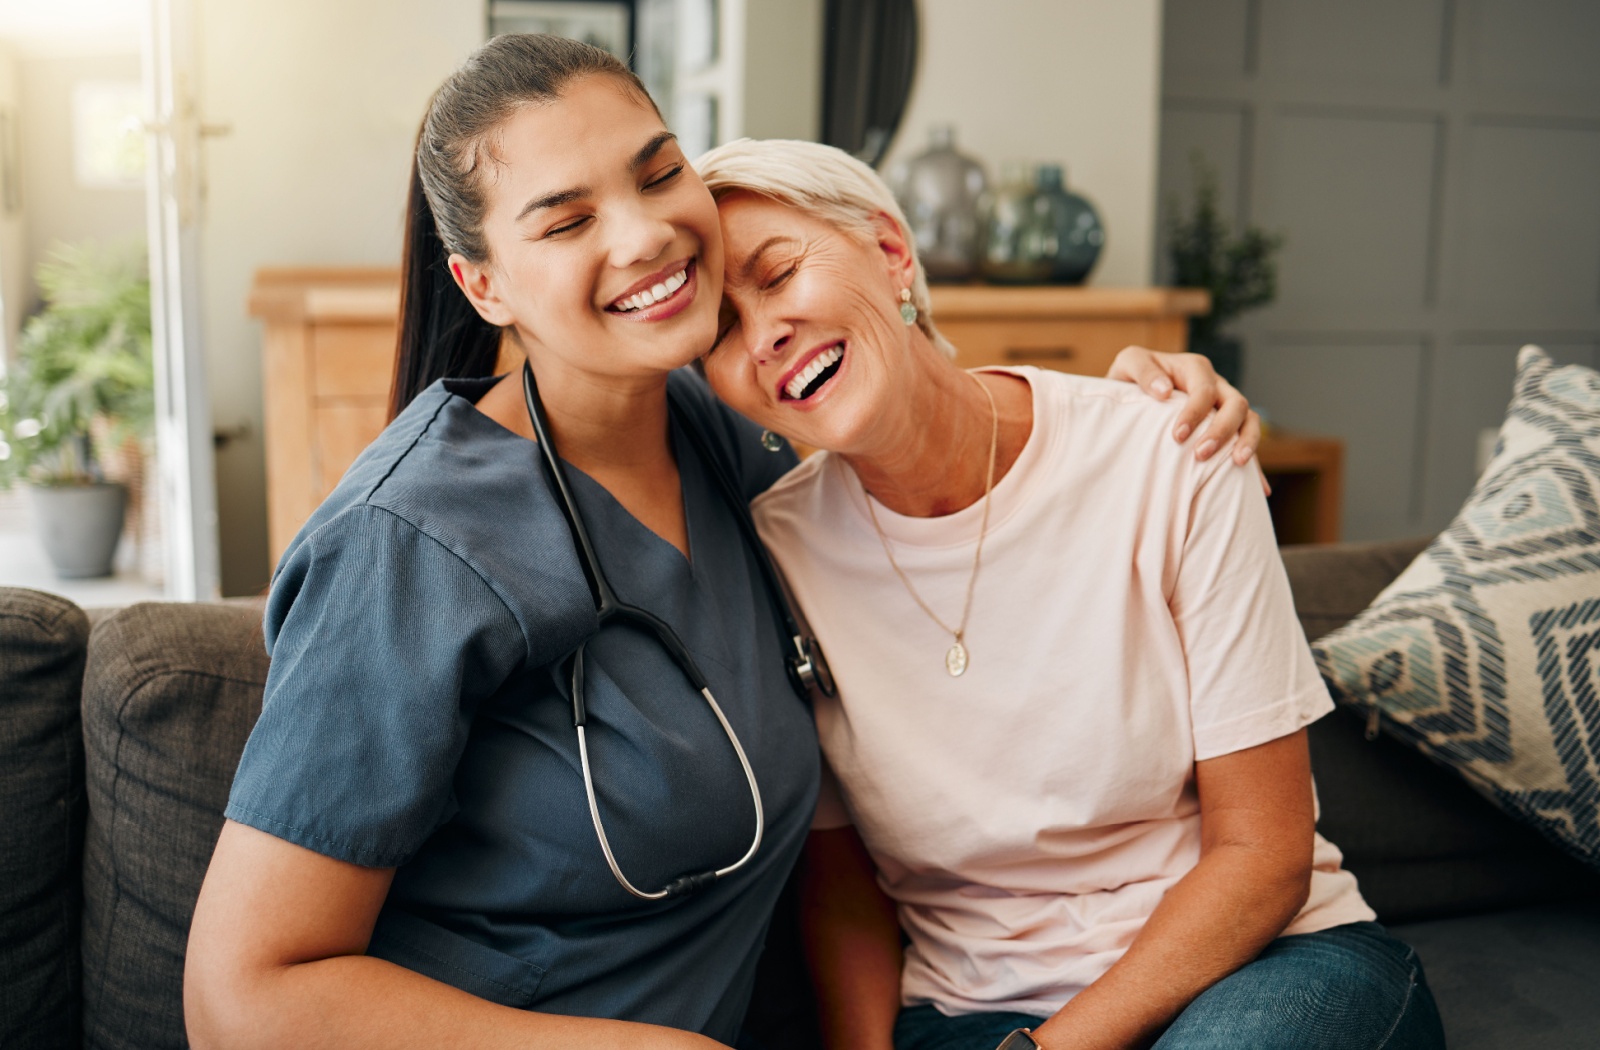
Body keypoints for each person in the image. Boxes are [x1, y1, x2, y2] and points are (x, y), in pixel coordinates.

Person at [184, 34, 1255, 1050]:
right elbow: (243, 1000)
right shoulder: (405, 544)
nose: (643, 235)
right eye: (565, 222)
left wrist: (1125, 411)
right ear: (484, 285)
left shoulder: (726, 441)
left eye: (657, 175)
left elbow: (936, 463)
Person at [694, 138, 1446, 1050]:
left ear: (891, 253)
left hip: (1263, 972)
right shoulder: (774, 553)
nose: (762, 333)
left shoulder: (1172, 452)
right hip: (969, 1015)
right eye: (719, 336)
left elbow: (1264, 858)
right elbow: (842, 886)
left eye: (777, 276)